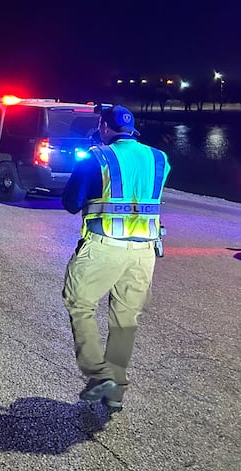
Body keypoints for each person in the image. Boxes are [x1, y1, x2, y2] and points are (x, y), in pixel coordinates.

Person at [61, 104, 170, 413]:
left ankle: (100, 376)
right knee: (125, 320)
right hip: (144, 253)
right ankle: (117, 390)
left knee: (79, 303)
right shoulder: (160, 159)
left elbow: (70, 202)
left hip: (104, 247)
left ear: (104, 126)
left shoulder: (97, 158)